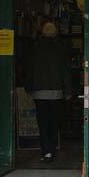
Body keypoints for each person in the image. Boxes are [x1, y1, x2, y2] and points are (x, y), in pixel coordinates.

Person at [27, 20, 71, 162]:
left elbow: (29, 69)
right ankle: (52, 149)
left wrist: (28, 87)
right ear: (56, 33)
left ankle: (45, 151)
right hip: (56, 91)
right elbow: (65, 71)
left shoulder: (34, 48)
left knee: (42, 122)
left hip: (39, 92)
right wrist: (68, 90)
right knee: (54, 122)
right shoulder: (60, 48)